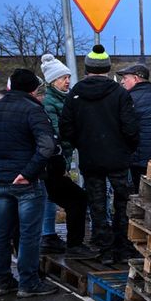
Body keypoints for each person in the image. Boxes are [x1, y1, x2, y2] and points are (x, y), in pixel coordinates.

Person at [0, 69, 59, 297]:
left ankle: (2, 281)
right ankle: (29, 282)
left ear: (11, 87)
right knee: (29, 234)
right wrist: (28, 172)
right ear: (33, 90)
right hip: (26, 184)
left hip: (1, 181)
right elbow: (47, 146)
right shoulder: (33, 109)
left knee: (2, 234)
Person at [60, 45, 140, 263]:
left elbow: (65, 128)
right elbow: (131, 128)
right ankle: (122, 247)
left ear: (87, 68)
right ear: (107, 68)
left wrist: (82, 145)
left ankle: (103, 248)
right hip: (118, 158)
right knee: (122, 201)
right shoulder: (120, 93)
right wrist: (126, 148)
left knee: (96, 202)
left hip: (90, 158)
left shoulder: (75, 93)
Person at [38, 54, 94, 258]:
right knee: (77, 199)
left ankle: (50, 236)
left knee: (55, 198)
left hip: (59, 161)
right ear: (53, 81)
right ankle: (72, 245)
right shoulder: (51, 103)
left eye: (69, 77)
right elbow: (58, 132)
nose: (68, 81)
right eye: (63, 78)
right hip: (53, 162)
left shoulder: (67, 98)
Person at [117, 63, 151, 193]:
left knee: (137, 194)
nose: (122, 82)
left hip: (138, 160)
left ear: (136, 79)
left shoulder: (130, 99)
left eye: (125, 78)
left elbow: (125, 128)